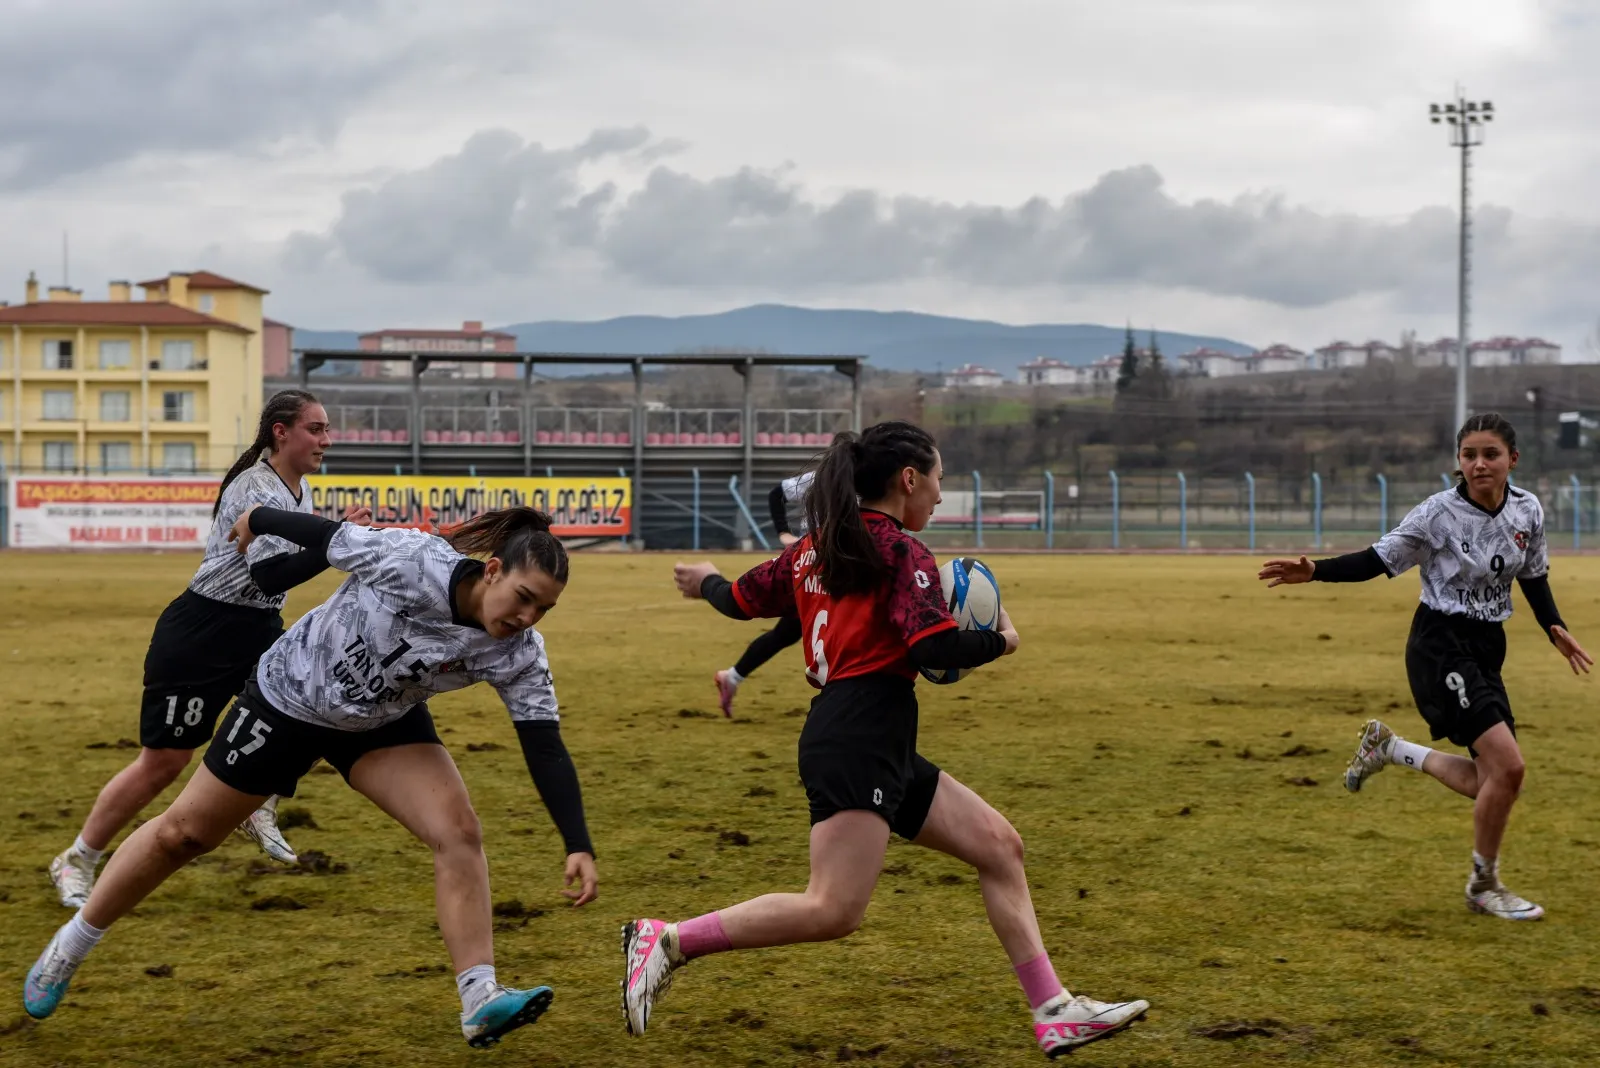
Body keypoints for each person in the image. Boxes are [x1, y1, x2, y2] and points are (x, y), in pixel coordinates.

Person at [625, 421, 1149, 1058]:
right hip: (859, 734)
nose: (938, 494)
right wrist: (1001, 641)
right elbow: (933, 647)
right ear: (908, 479)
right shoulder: (901, 551)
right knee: (833, 909)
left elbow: (739, 599)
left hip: (872, 735)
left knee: (999, 846)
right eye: (939, 480)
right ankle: (669, 940)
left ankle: (1055, 1009)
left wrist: (707, 577)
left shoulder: (816, 546)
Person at [25, 506, 598, 1049]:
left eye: (543, 609)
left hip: (377, 721)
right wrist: (256, 520)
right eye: (523, 598)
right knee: (184, 836)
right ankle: (70, 947)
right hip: (289, 698)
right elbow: (326, 535)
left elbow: (544, 746)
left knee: (458, 833)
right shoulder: (410, 560)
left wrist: (577, 843)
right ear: (493, 570)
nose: (526, 618)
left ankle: (479, 998)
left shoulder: (519, 652)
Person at [1259, 413, 1591, 921]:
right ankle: (1484, 886)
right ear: (1458, 462)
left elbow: (1534, 575)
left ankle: (1390, 748)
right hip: (1439, 645)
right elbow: (1378, 559)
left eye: (1490, 454)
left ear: (1512, 460)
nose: (1479, 463)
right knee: (1511, 767)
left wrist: (1555, 626)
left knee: (1492, 781)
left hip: (1486, 648)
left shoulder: (1528, 510)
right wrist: (1316, 572)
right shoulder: (1438, 514)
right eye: (1469, 455)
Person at [47, 389, 371, 909]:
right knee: (164, 762)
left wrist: (335, 538)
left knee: (308, 708)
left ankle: (258, 802)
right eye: (316, 429)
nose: (326, 440)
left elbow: (276, 580)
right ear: (280, 432)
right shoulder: (254, 487)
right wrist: (337, 542)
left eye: (328, 429)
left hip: (258, 626)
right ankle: (78, 858)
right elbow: (269, 572)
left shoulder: (298, 490)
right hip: (202, 632)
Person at [712, 470, 812, 715]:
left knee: (788, 632)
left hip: (827, 567)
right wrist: (783, 532)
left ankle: (732, 677)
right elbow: (777, 494)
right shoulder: (822, 477)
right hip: (815, 567)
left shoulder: (868, 479)